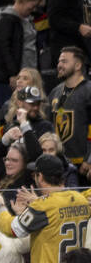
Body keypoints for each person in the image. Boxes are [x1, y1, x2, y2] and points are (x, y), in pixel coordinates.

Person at [46, 47, 91, 176]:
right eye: (59, 61)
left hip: (82, 165)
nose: (59, 65)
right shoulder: (55, 92)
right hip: (58, 163)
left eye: (65, 61)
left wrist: (89, 159)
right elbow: (48, 126)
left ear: (78, 65)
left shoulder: (88, 90)